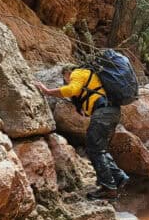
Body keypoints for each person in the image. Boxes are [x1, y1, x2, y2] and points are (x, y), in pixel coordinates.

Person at [36, 65, 129, 200]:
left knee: (94, 149)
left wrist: (48, 91)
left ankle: (109, 189)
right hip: (111, 111)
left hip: (104, 112)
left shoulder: (78, 73)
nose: (67, 81)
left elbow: (72, 89)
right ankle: (119, 177)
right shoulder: (89, 76)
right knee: (99, 148)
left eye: (65, 79)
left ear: (66, 73)